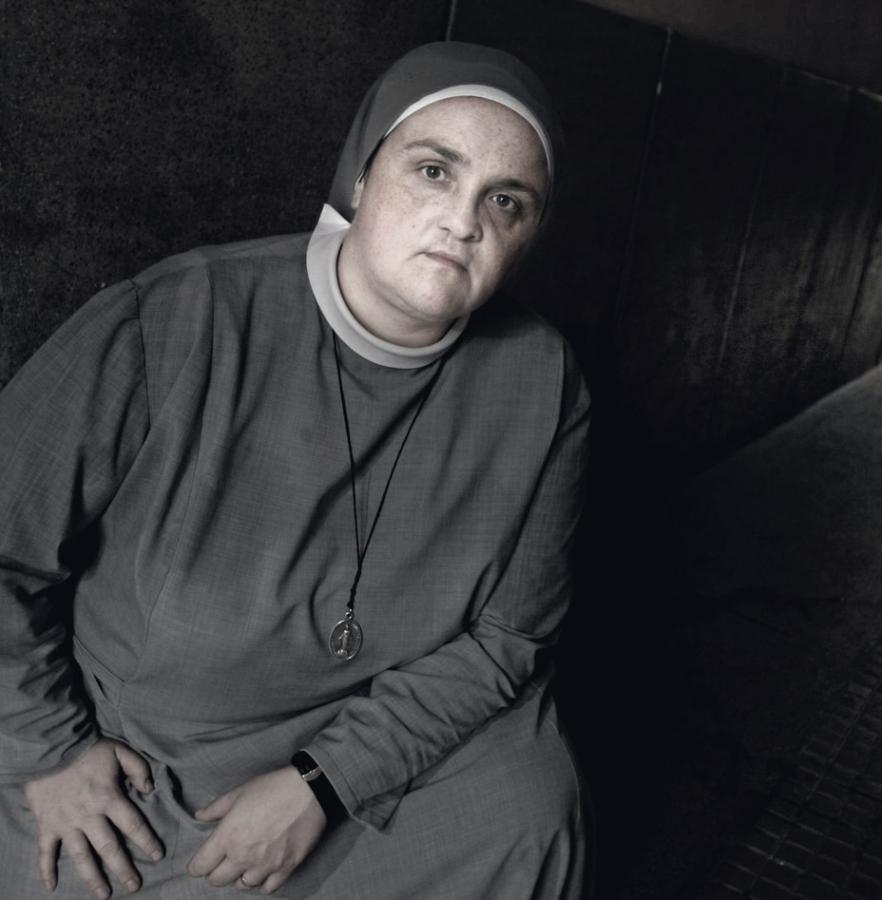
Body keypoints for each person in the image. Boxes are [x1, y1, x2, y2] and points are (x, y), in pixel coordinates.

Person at [0, 42, 589, 899]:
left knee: (525, 807)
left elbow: (511, 638)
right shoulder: (172, 321)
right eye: (433, 171)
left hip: (373, 731)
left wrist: (327, 779)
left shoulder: (541, 380)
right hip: (152, 750)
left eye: (506, 201)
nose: (464, 222)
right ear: (361, 175)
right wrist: (48, 751)